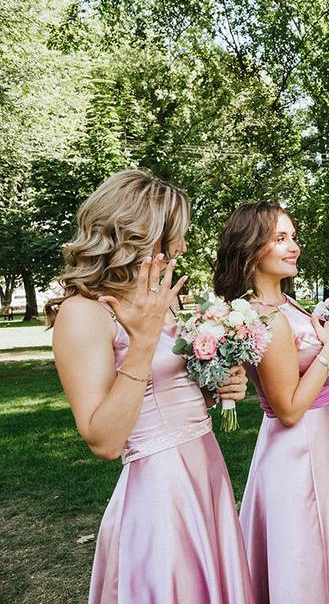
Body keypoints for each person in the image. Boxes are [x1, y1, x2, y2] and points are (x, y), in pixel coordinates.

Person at [48, 169, 253, 603]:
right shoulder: (83, 313)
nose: (182, 246)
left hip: (206, 471)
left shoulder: (158, 298)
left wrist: (218, 387)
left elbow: (170, 391)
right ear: (140, 236)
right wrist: (141, 342)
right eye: (175, 235)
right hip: (161, 490)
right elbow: (103, 439)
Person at [213, 201, 329, 603]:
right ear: (252, 248)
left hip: (321, 445)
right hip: (298, 452)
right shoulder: (264, 316)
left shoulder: (286, 305)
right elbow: (288, 408)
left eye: (293, 237)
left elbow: (302, 376)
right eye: (281, 239)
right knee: (305, 558)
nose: (294, 247)